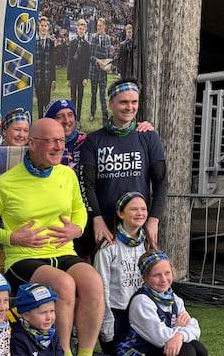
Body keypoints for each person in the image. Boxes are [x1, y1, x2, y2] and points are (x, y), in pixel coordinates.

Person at [0, 118, 112, 356]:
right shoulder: (6, 183)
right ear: (32, 143)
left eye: (61, 140)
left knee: (93, 281)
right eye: (51, 140)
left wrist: (78, 227)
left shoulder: (67, 175)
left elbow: (79, 210)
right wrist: (11, 237)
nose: (58, 146)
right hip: (23, 258)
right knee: (64, 284)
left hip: (62, 252)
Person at [79, 79, 168, 250]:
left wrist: (154, 220)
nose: (129, 107)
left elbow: (161, 180)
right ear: (111, 104)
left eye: (134, 102)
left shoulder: (149, 136)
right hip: (105, 228)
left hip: (138, 226)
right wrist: (96, 219)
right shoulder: (93, 140)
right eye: (123, 102)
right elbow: (86, 184)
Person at [94, 192, 148, 354]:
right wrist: (107, 322)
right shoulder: (108, 247)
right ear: (120, 213)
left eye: (143, 209)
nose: (140, 213)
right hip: (116, 313)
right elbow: (101, 286)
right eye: (134, 209)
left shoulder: (147, 243)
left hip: (140, 311)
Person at [88, 18, 112, 126]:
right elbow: (90, 56)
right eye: (97, 25)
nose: (98, 27)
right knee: (93, 94)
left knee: (102, 95)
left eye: (100, 26)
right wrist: (98, 61)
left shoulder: (108, 39)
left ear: (104, 26)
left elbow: (108, 56)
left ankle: (105, 116)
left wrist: (107, 64)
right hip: (94, 72)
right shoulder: (93, 37)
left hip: (103, 73)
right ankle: (92, 113)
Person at [34, 16, 56, 119]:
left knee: (46, 101)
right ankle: (39, 121)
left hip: (47, 77)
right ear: (39, 27)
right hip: (38, 77)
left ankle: (46, 122)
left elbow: (53, 62)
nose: (43, 28)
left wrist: (53, 80)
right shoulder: (34, 42)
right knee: (39, 102)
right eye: (42, 25)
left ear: (48, 28)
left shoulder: (51, 42)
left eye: (45, 26)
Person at [67, 19, 90, 115]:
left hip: (82, 76)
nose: (81, 30)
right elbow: (70, 61)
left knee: (80, 98)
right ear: (77, 29)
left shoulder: (87, 45)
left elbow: (87, 63)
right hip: (73, 75)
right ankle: (72, 117)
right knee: (73, 98)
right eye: (80, 28)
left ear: (85, 30)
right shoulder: (72, 43)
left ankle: (78, 119)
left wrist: (86, 77)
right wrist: (68, 78)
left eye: (83, 29)